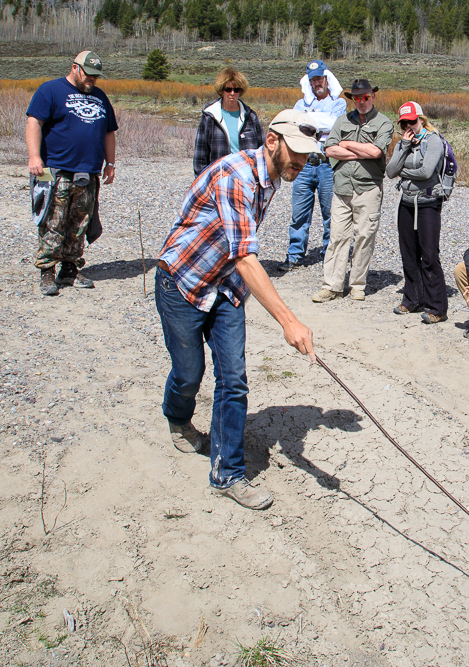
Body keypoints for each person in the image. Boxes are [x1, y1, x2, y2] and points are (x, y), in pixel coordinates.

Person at [156, 110, 317, 511]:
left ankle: (226, 473)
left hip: (225, 288)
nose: (301, 161)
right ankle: (178, 419)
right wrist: (289, 321)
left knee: (234, 379)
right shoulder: (236, 176)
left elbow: (238, 254)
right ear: (273, 141)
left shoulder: (275, 175)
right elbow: (245, 257)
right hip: (183, 282)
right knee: (189, 375)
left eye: (307, 155)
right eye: (296, 152)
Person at [26, 50, 117, 296]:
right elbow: (34, 121)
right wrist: (35, 157)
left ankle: (69, 269)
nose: (92, 81)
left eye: (96, 77)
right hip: (53, 170)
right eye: (89, 75)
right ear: (75, 68)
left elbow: (109, 131)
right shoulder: (50, 90)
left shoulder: (99, 96)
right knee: (52, 221)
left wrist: (111, 163)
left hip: (87, 171)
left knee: (80, 223)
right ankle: (46, 271)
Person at [313, 79, 393, 303]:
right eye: (357, 98)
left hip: (368, 189)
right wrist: (361, 151)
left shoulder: (384, 123)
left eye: (365, 97)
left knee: (364, 237)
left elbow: (376, 151)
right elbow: (329, 149)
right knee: (337, 237)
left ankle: (357, 285)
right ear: (352, 99)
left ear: (373, 97)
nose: (361, 102)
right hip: (341, 188)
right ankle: (332, 286)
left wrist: (346, 145)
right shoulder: (342, 120)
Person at [278, 59, 347, 272]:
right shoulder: (301, 104)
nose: (317, 83)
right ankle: (295, 255)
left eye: (320, 78)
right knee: (299, 213)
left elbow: (335, 124)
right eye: (313, 79)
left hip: (328, 165)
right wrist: (316, 123)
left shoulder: (339, 103)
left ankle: (329, 254)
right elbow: (297, 126)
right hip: (304, 164)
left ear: (327, 79)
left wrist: (310, 122)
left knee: (330, 213)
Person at [385, 101, 449, 323]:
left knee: (429, 255)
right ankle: (413, 299)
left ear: (421, 119)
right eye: (404, 123)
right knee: (408, 253)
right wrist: (402, 145)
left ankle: (437, 308)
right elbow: (390, 171)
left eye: (412, 121)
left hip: (428, 202)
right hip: (406, 202)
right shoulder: (404, 142)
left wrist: (402, 171)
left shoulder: (434, 141)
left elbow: (426, 171)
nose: (409, 126)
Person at [193, 67, 265, 176]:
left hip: (247, 179)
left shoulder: (251, 116)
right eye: (228, 89)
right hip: (219, 178)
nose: (232, 93)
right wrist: (201, 181)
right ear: (222, 90)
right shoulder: (210, 116)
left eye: (236, 90)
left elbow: (262, 151)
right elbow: (200, 155)